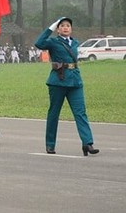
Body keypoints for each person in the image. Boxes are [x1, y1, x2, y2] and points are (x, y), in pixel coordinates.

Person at [35, 17, 99, 156]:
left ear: (71, 29)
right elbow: (38, 43)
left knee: (80, 112)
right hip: (58, 81)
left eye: (68, 25)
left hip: (75, 81)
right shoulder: (53, 42)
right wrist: (50, 28)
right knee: (54, 113)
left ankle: (87, 143)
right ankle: (50, 144)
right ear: (58, 29)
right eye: (62, 25)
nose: (65, 27)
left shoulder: (75, 42)